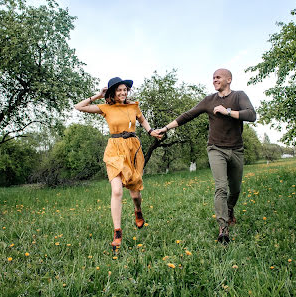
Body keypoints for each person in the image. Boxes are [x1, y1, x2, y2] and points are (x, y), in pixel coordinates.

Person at [153, 69, 256, 244]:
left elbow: (251, 115)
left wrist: (227, 111)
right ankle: (223, 228)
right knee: (221, 187)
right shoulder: (209, 100)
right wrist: (165, 128)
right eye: (213, 78)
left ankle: (229, 210)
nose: (214, 80)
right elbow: (188, 115)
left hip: (236, 149)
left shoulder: (239, 96)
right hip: (216, 149)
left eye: (218, 77)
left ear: (229, 79)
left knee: (236, 189)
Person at [75, 77, 160, 250]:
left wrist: (150, 131)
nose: (123, 93)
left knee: (135, 194)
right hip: (114, 149)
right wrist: (98, 96)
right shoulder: (106, 108)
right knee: (116, 190)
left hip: (132, 149)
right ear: (113, 93)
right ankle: (117, 232)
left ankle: (138, 210)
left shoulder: (133, 106)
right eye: (119, 90)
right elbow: (79, 106)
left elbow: (142, 120)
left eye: (125, 90)